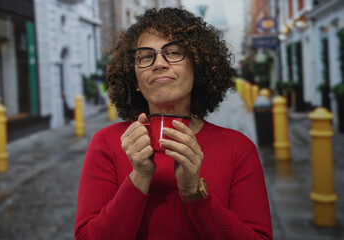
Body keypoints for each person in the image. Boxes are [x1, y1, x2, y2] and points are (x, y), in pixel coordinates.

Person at [75, 8, 272, 240]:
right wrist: (139, 177)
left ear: (197, 67)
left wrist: (195, 194)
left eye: (174, 52)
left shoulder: (238, 149)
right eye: (146, 56)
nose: (159, 63)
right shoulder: (106, 144)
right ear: (135, 78)